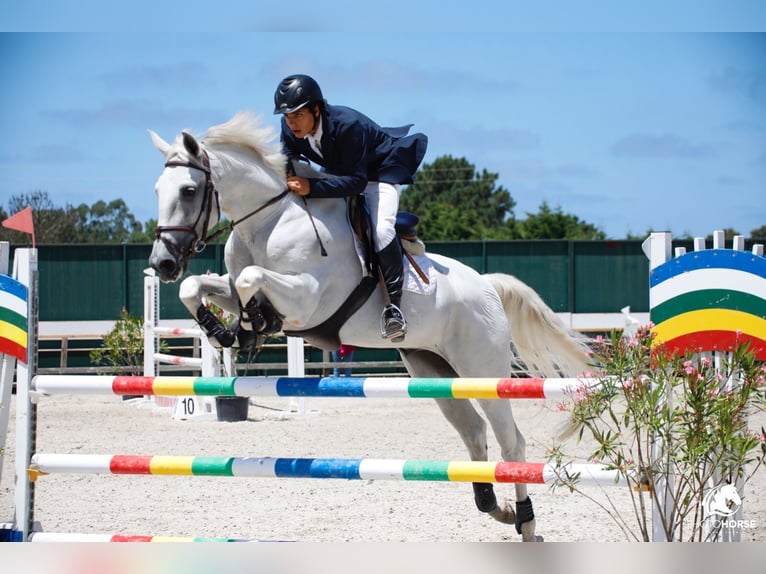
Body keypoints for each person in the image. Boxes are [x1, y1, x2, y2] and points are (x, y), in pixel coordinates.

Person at [273, 74, 427, 342]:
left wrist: (312, 187)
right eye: (287, 116)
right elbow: (287, 162)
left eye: (297, 115)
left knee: (380, 230)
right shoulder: (289, 130)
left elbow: (357, 183)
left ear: (316, 109)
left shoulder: (348, 126)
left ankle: (393, 308)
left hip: (378, 174)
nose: (291, 122)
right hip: (338, 174)